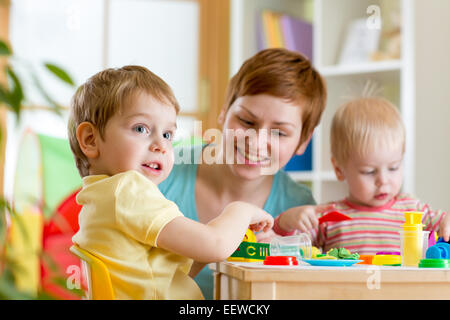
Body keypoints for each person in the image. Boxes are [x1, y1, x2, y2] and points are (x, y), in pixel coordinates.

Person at [68, 65, 274, 300]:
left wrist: (228, 237)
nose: (161, 145)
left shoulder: (101, 198)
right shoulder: (128, 190)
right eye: (141, 128)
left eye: (167, 135)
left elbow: (170, 275)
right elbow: (215, 244)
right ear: (90, 140)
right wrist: (241, 210)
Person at [158, 48, 330, 299]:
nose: (256, 142)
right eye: (247, 122)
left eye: (279, 133)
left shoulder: (298, 209)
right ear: (223, 112)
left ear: (303, 142)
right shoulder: (161, 173)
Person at [275, 97, 449, 254]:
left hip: (403, 290)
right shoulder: (330, 217)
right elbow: (285, 247)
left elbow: (444, 224)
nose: (383, 181)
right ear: (339, 170)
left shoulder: (414, 211)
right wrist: (286, 222)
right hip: (344, 291)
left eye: (394, 167)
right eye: (369, 171)